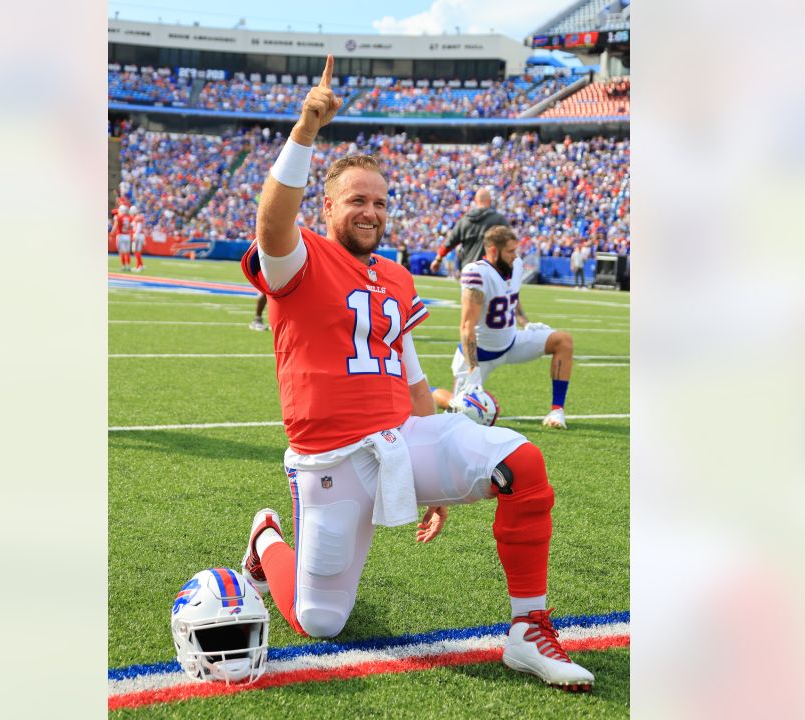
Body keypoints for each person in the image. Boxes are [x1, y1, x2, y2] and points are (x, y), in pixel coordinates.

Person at [238, 55, 595, 692]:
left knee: (523, 464)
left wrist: (432, 477)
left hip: (399, 442)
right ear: (327, 207)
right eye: (357, 201)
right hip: (330, 461)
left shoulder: (397, 276)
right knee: (321, 622)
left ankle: (527, 631)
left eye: (379, 201)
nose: (371, 211)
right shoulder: (302, 258)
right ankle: (267, 537)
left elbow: (410, 377)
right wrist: (305, 132)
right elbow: (272, 223)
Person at [430, 226, 576, 429]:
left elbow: (511, 295)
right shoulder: (477, 273)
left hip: (511, 342)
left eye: (515, 251)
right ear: (492, 251)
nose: (515, 256)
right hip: (479, 355)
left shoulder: (514, 265)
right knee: (458, 410)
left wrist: (526, 322)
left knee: (563, 341)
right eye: (510, 251)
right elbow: (467, 325)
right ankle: (428, 390)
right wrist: (473, 370)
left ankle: (556, 411)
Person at [429, 187, 508, 278]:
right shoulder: (499, 220)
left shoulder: (465, 220)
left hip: (469, 271)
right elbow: (510, 242)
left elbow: (449, 243)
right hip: (491, 271)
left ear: (475, 200)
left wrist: (437, 260)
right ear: (490, 201)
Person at [110, 200, 133, 271]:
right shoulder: (129, 217)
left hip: (120, 235)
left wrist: (111, 234)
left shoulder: (119, 217)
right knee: (127, 252)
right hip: (127, 236)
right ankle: (128, 266)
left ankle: (123, 266)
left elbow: (115, 226)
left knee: (121, 252)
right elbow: (131, 227)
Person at [130, 206, 145, 273]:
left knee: (136, 251)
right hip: (140, 235)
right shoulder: (138, 217)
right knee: (137, 251)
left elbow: (138, 227)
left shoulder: (137, 218)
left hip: (138, 235)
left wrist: (135, 235)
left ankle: (138, 266)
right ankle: (140, 265)